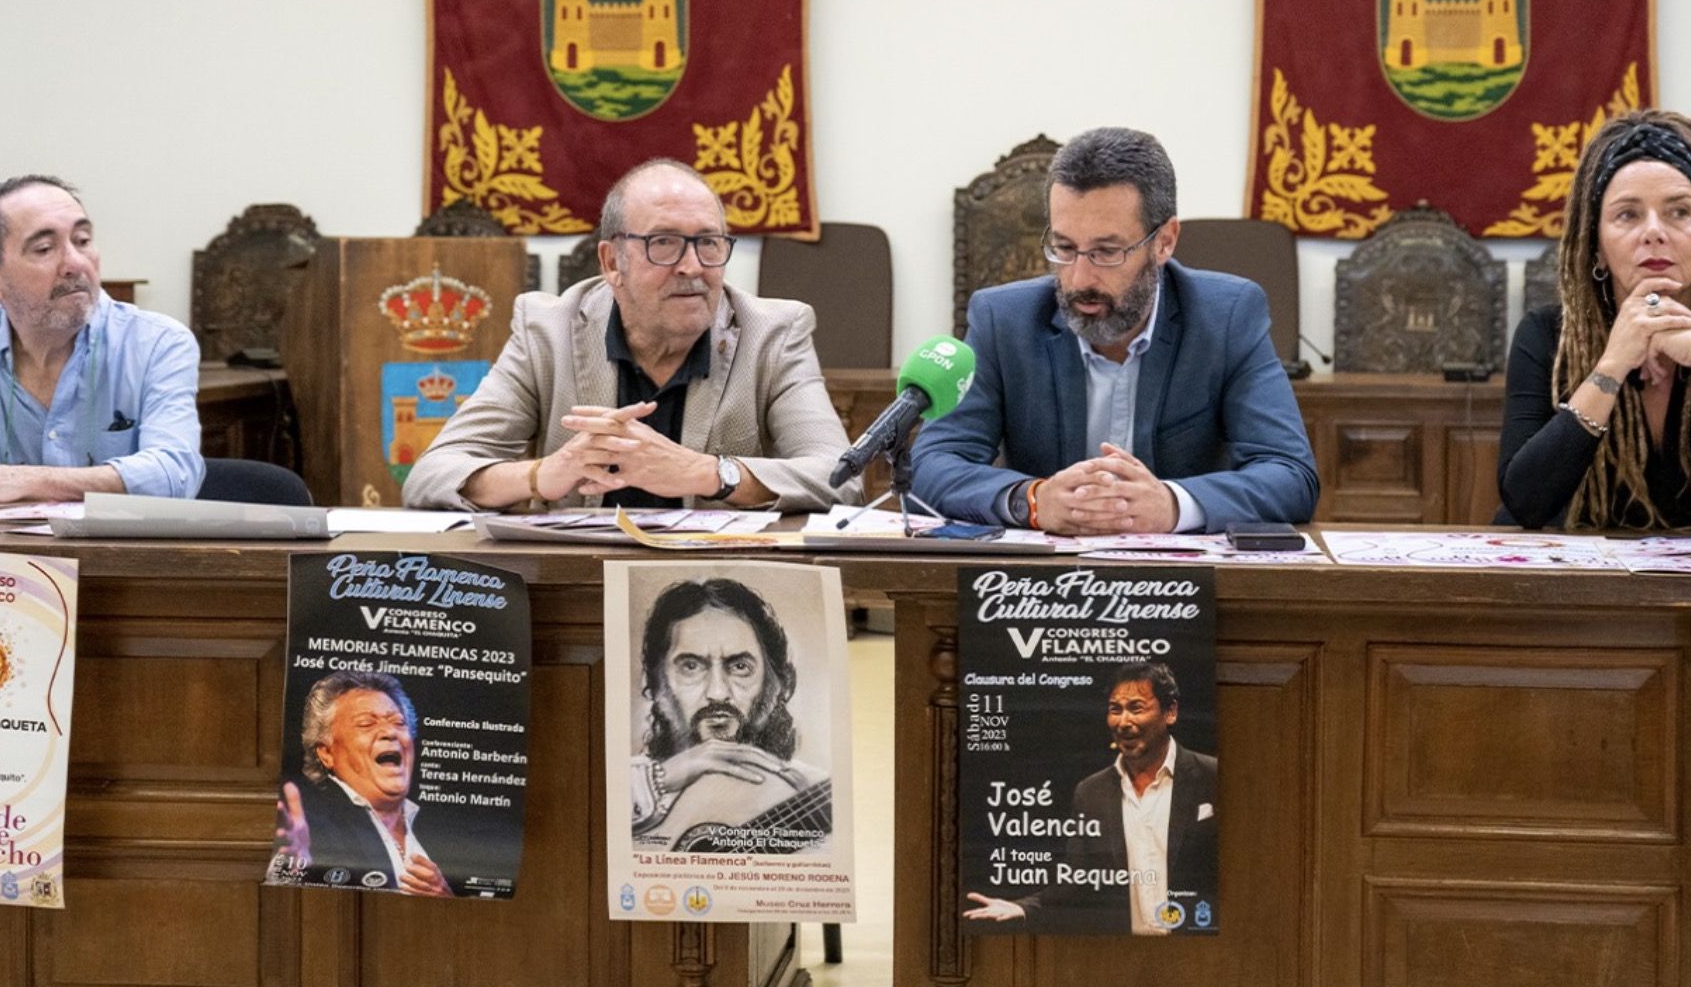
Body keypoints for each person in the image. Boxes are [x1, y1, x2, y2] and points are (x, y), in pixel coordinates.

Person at [913, 127, 1317, 534]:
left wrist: (1173, 505)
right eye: (1064, 248)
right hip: (1038, 585)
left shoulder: (1226, 316)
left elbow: (1290, 474)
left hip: (1182, 585)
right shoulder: (1004, 320)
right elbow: (933, 464)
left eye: (1107, 251)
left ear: (1164, 242)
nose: (1080, 277)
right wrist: (1032, 500)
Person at [402, 159, 856, 513]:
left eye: (709, 242)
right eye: (663, 243)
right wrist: (544, 475)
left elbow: (840, 478)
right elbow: (431, 476)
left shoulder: (772, 333)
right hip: (581, 586)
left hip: (721, 587)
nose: (693, 266)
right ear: (612, 263)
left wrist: (707, 474)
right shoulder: (548, 329)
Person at [1497, 110, 1691, 533]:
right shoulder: (1547, 335)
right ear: (1597, 245)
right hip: (1588, 576)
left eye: (1679, 212)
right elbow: (1525, 504)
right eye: (1628, 215)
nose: (1654, 232)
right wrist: (1612, 365)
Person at [0, 174, 204, 507]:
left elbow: (174, 473)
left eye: (83, 240)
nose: (75, 263)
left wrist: (25, 480)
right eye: (45, 249)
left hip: (113, 558)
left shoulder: (158, 343)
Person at [963, 662, 1219, 934]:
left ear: (1170, 712)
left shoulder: (1212, 776)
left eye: (1136, 708)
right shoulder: (1090, 792)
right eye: (1115, 710)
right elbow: (1077, 881)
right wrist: (1024, 907)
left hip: (1202, 948)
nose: (1123, 722)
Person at [628, 577, 830, 852]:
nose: (718, 692)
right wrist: (660, 778)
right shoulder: (624, 783)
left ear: (782, 683)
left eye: (739, 666)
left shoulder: (815, 795)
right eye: (690, 666)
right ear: (653, 685)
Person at [273, 671, 452, 896]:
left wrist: (447, 897)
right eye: (366, 724)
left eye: (399, 723)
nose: (390, 732)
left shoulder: (445, 829)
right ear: (327, 753)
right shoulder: (312, 824)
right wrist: (291, 868)